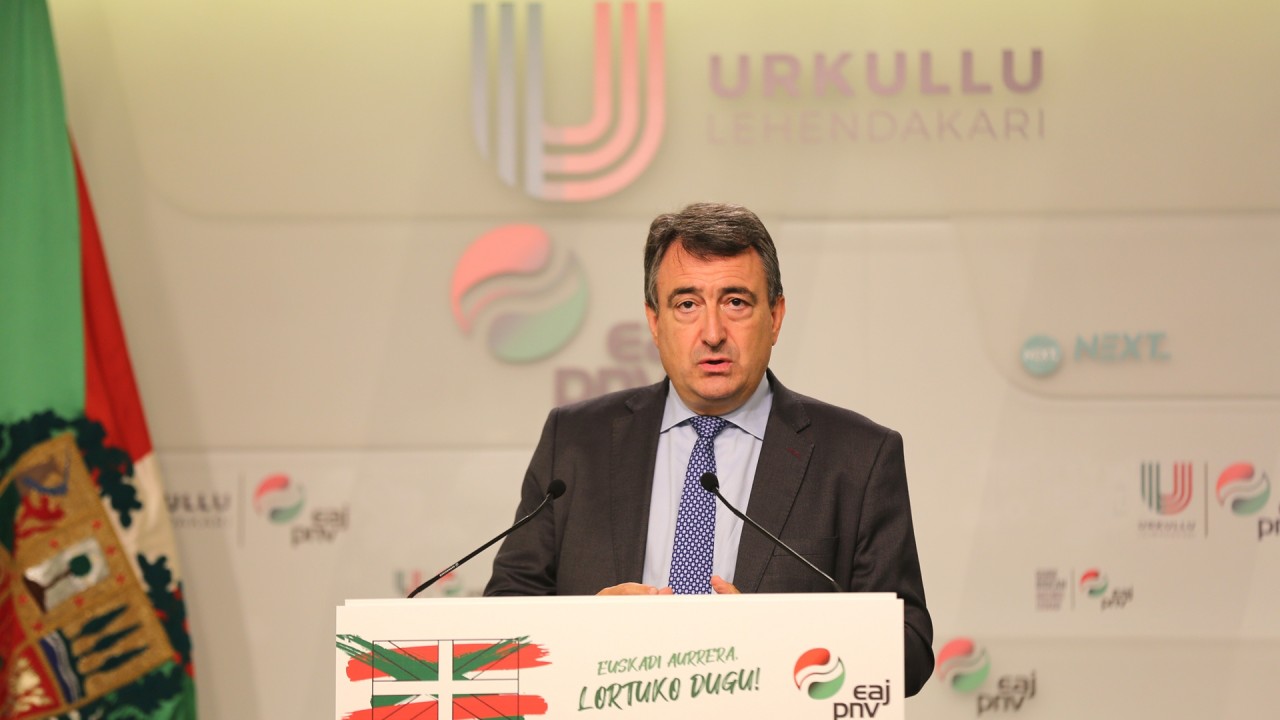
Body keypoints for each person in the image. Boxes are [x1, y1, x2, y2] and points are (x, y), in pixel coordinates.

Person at [485, 202, 934, 695]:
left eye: (736, 302)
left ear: (775, 316)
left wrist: (776, 641)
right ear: (654, 321)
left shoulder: (859, 457)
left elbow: (909, 649)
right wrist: (586, 632)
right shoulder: (574, 441)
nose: (713, 333)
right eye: (687, 304)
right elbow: (505, 612)